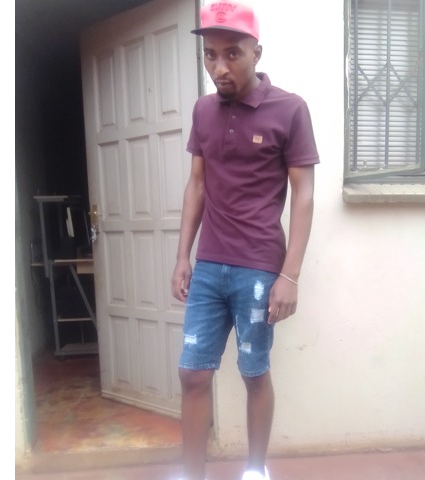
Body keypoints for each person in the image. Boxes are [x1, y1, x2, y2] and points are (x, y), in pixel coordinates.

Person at [171, 2, 319, 479]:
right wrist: (183, 256)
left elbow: (304, 195)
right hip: (209, 266)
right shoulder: (203, 111)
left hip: (258, 267)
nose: (220, 67)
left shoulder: (289, 110)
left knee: (253, 372)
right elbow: (197, 184)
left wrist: (289, 275)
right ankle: (192, 473)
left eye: (232, 53)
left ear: (257, 52)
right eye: (210, 55)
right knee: (193, 373)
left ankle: (256, 469)